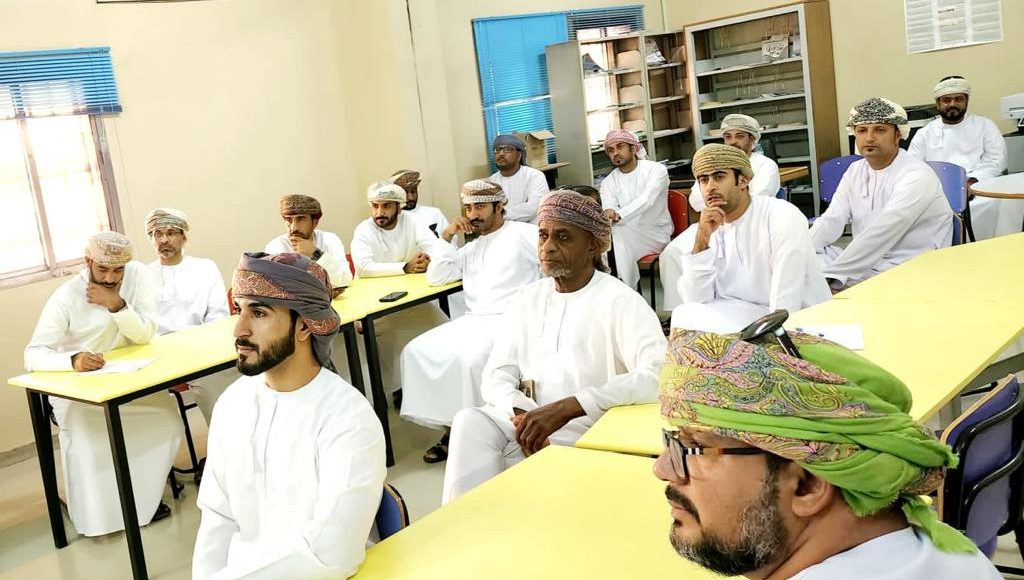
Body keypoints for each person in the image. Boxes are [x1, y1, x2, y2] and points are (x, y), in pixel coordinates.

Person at [655, 328, 1002, 579]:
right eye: (673, 441)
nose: (663, 469)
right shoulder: (959, 559)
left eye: (694, 448)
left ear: (807, 485)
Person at [442, 191, 666, 503]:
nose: (547, 247)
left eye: (563, 237)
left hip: (590, 428)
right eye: (543, 235)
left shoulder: (621, 301)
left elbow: (658, 375)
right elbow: (497, 373)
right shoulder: (527, 298)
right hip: (527, 425)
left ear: (593, 246)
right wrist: (522, 413)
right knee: (470, 421)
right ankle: (464, 522)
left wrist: (570, 407)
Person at [193, 252, 386, 580]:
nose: (239, 330)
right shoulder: (232, 404)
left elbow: (331, 553)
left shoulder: (348, 418)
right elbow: (217, 517)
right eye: (239, 310)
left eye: (258, 313)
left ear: (305, 326)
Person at [24, 232, 179, 536]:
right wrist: (73, 360)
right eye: (103, 269)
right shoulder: (67, 295)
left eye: (118, 270)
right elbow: (32, 354)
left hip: (128, 377)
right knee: (91, 438)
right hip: (78, 387)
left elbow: (145, 335)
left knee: (168, 422)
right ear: (88, 262)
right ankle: (98, 519)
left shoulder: (138, 276)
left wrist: (117, 306)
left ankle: (143, 504)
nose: (110, 278)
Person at [400, 180, 541, 463]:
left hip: (513, 317)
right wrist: (446, 237)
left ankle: (485, 432)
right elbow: (437, 277)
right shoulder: (470, 249)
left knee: (470, 359)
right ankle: (451, 429)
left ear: (499, 206)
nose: (473, 215)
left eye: (480, 207)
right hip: (474, 319)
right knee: (415, 350)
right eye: (468, 208)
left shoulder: (525, 234)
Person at [663, 144, 830, 333]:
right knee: (684, 314)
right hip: (741, 313)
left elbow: (787, 297)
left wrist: (773, 338)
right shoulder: (707, 226)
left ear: (743, 180)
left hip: (795, 317)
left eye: (719, 177)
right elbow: (696, 299)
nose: (710, 187)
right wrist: (702, 240)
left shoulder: (781, 216)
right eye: (704, 180)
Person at [810, 97, 953, 291]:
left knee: (812, 282)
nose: (869, 138)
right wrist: (798, 253)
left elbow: (881, 233)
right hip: (867, 262)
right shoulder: (855, 170)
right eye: (862, 130)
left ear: (898, 135)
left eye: (879, 130)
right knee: (807, 257)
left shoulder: (917, 175)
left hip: (909, 266)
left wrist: (833, 277)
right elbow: (832, 219)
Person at [350, 181, 450, 396]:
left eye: (386, 206)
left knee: (445, 331)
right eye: (375, 206)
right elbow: (364, 267)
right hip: (376, 305)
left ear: (399, 206)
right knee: (389, 351)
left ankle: (440, 381)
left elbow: (436, 248)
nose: (379, 212)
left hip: (411, 299)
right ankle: (398, 390)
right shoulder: (364, 229)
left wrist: (429, 261)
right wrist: (405, 267)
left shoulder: (411, 221)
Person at [145, 208, 231, 423]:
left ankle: (228, 438)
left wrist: (199, 344)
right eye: (157, 234)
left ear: (184, 237)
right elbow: (142, 324)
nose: (164, 240)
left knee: (225, 390)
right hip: (162, 354)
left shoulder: (204, 268)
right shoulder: (143, 276)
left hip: (204, 348)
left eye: (171, 233)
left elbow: (219, 314)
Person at [909, 76, 1015, 240]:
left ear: (966, 101)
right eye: (946, 100)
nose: (952, 104)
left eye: (958, 99)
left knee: (1001, 205)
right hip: (937, 192)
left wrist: (971, 182)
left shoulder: (985, 125)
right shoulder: (924, 134)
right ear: (938, 104)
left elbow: (996, 161)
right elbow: (913, 167)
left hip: (978, 188)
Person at [599, 129, 672, 292]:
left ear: (633, 148)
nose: (615, 153)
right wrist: (610, 211)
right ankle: (618, 288)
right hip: (625, 231)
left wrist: (619, 215)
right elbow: (609, 206)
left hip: (654, 232)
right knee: (608, 238)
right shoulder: (608, 182)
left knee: (616, 236)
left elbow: (647, 200)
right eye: (611, 150)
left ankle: (626, 289)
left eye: (620, 147)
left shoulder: (656, 170)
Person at [687, 114, 781, 212]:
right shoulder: (714, 163)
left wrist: (719, 202)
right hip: (717, 219)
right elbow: (696, 201)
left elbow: (757, 200)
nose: (733, 142)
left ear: (752, 139)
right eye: (728, 137)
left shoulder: (766, 165)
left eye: (739, 136)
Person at [265, 194, 351, 298]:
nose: (293, 227)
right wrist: (322, 293)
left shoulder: (329, 239)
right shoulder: (276, 246)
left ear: (315, 222)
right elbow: (278, 289)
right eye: (288, 220)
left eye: (300, 219)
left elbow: (345, 280)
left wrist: (316, 254)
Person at [487, 134, 548, 223]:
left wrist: (499, 214)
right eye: (497, 150)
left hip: (531, 228)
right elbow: (487, 211)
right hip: (501, 229)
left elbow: (534, 208)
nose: (501, 154)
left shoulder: (535, 175)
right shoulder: (490, 182)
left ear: (519, 155)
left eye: (507, 149)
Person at [389, 169, 450, 237]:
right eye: (406, 192)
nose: (411, 198)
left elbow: (450, 241)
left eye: (413, 192)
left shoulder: (434, 213)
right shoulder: (389, 219)